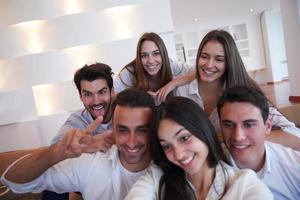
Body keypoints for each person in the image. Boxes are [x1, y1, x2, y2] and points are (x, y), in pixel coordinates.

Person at [1, 89, 156, 200]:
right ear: (112, 129)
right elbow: (13, 180)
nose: (131, 141)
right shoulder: (92, 163)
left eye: (141, 130)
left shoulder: (168, 166)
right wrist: (56, 153)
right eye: (123, 130)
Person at [125, 96, 273, 200]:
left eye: (184, 138)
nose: (179, 154)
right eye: (166, 146)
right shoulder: (158, 177)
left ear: (203, 130)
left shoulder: (244, 186)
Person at [175, 29, 300, 150]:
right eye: (204, 57)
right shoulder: (182, 91)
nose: (209, 64)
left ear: (229, 62)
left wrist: (221, 138)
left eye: (219, 59)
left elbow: (294, 134)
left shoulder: (245, 92)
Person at [43, 63, 116, 200]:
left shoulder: (125, 111)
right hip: (88, 178)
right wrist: (86, 148)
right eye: (88, 94)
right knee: (52, 188)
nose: (96, 101)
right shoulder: (77, 120)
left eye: (102, 92)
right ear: (81, 97)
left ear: (112, 92)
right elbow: (55, 153)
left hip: (120, 174)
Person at [217, 86, 300, 199]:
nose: (238, 137)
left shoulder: (295, 166)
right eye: (228, 125)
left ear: (267, 127)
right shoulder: (209, 171)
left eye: (249, 125)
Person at [114, 32, 195, 104]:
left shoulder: (170, 65)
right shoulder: (130, 72)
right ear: (139, 57)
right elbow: (112, 96)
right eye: (144, 55)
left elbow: (199, 71)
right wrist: (140, 97)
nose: (151, 61)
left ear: (163, 54)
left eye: (156, 54)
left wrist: (172, 84)